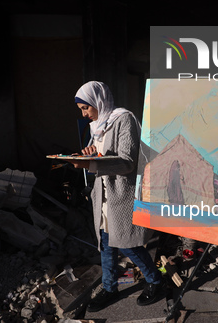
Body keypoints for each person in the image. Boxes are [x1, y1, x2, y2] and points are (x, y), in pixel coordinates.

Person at [61, 81, 163, 312]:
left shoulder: (123, 119)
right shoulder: (98, 125)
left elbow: (128, 162)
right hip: (103, 197)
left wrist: (93, 163)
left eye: (86, 108)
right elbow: (98, 154)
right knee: (106, 246)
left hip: (121, 196)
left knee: (128, 245)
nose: (85, 115)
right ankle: (109, 288)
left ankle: (157, 281)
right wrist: (88, 154)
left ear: (98, 101)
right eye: (82, 111)